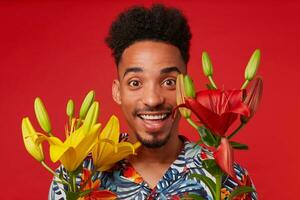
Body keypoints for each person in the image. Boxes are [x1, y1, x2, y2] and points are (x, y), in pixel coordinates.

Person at [50, 4, 257, 200]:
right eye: (135, 82)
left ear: (187, 90)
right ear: (117, 91)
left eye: (169, 82)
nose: (153, 99)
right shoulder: (76, 176)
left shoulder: (227, 178)